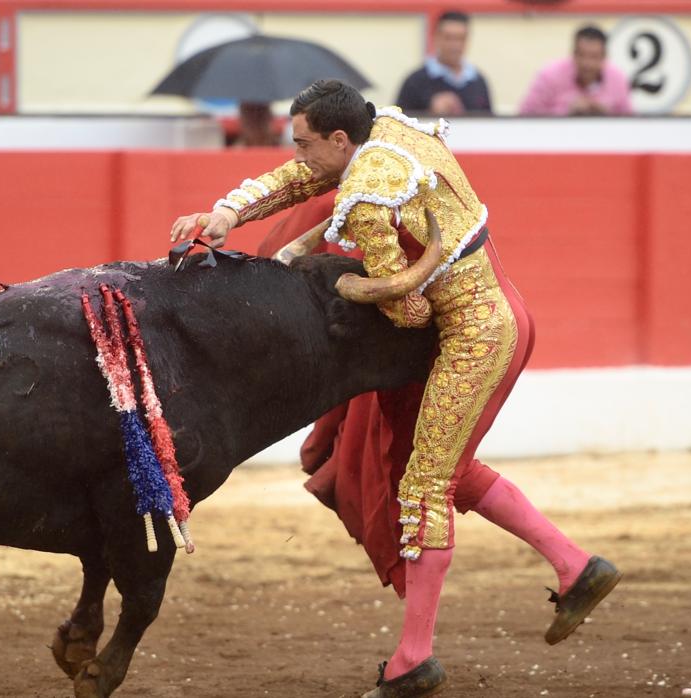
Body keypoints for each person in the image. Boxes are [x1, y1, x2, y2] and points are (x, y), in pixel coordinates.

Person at [169, 80, 619, 697]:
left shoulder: (368, 197)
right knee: (437, 467)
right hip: (489, 313)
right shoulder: (387, 129)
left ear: (339, 137)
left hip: (473, 337)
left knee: (425, 486)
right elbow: (305, 178)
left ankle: (415, 659)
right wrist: (229, 212)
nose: (297, 155)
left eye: (304, 143)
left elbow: (405, 311)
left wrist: (340, 281)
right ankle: (576, 566)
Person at [519, 25, 634, 117]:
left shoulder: (617, 78)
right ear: (573, 54)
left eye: (594, 56)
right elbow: (525, 114)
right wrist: (566, 112)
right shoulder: (549, 75)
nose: (587, 63)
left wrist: (607, 114)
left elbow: (629, 122)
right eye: (581, 55)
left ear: (604, 57)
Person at [395, 11, 492, 116]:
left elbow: (489, 125)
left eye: (460, 38)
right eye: (448, 38)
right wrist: (430, 112)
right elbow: (396, 123)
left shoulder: (478, 81)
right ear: (436, 37)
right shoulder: (415, 81)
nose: (455, 45)